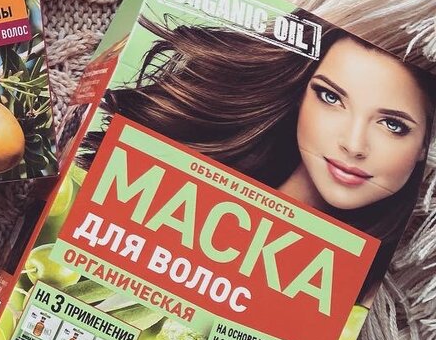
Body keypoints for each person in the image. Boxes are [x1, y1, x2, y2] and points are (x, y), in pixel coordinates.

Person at [81, 17, 436, 291]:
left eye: (393, 125)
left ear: (425, 145)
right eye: (330, 98)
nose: (354, 145)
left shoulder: (374, 288)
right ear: (300, 98)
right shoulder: (172, 191)